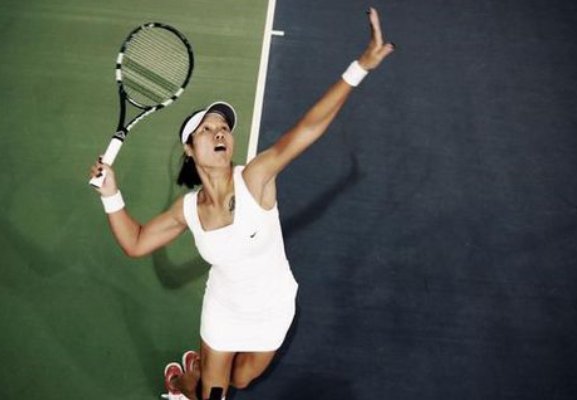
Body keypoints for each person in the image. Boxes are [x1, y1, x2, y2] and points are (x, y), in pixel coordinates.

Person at [89, 7, 394, 400]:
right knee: (215, 394)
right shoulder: (187, 210)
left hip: (274, 305)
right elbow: (135, 243)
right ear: (189, 149)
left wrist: (360, 67)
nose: (219, 133)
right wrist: (111, 194)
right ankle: (183, 385)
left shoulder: (255, 178)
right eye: (207, 129)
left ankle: (195, 376)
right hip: (223, 311)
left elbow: (309, 127)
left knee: (243, 380)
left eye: (224, 128)